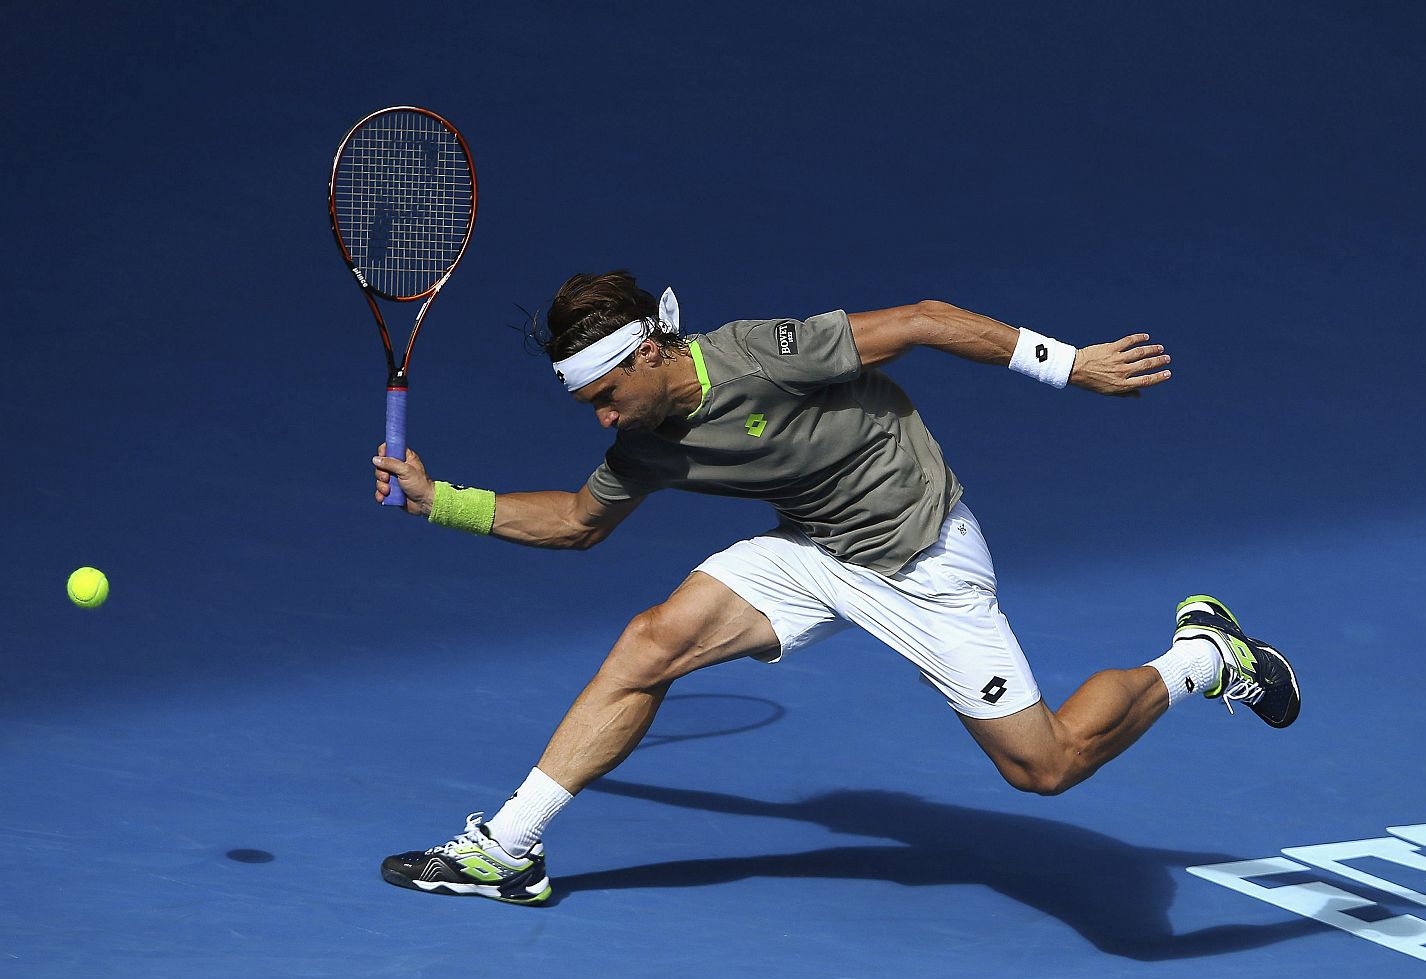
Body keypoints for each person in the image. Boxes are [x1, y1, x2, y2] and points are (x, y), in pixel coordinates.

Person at [370, 271, 1300, 906]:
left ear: (652, 352)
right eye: (593, 409)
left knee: (1045, 766)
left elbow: (928, 320)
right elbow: (577, 522)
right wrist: (440, 502)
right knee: (651, 641)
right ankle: (506, 849)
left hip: (923, 559)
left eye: (608, 395)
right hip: (813, 552)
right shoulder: (643, 443)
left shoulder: (763, 352)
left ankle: (1202, 658)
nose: (605, 417)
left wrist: (1075, 365)